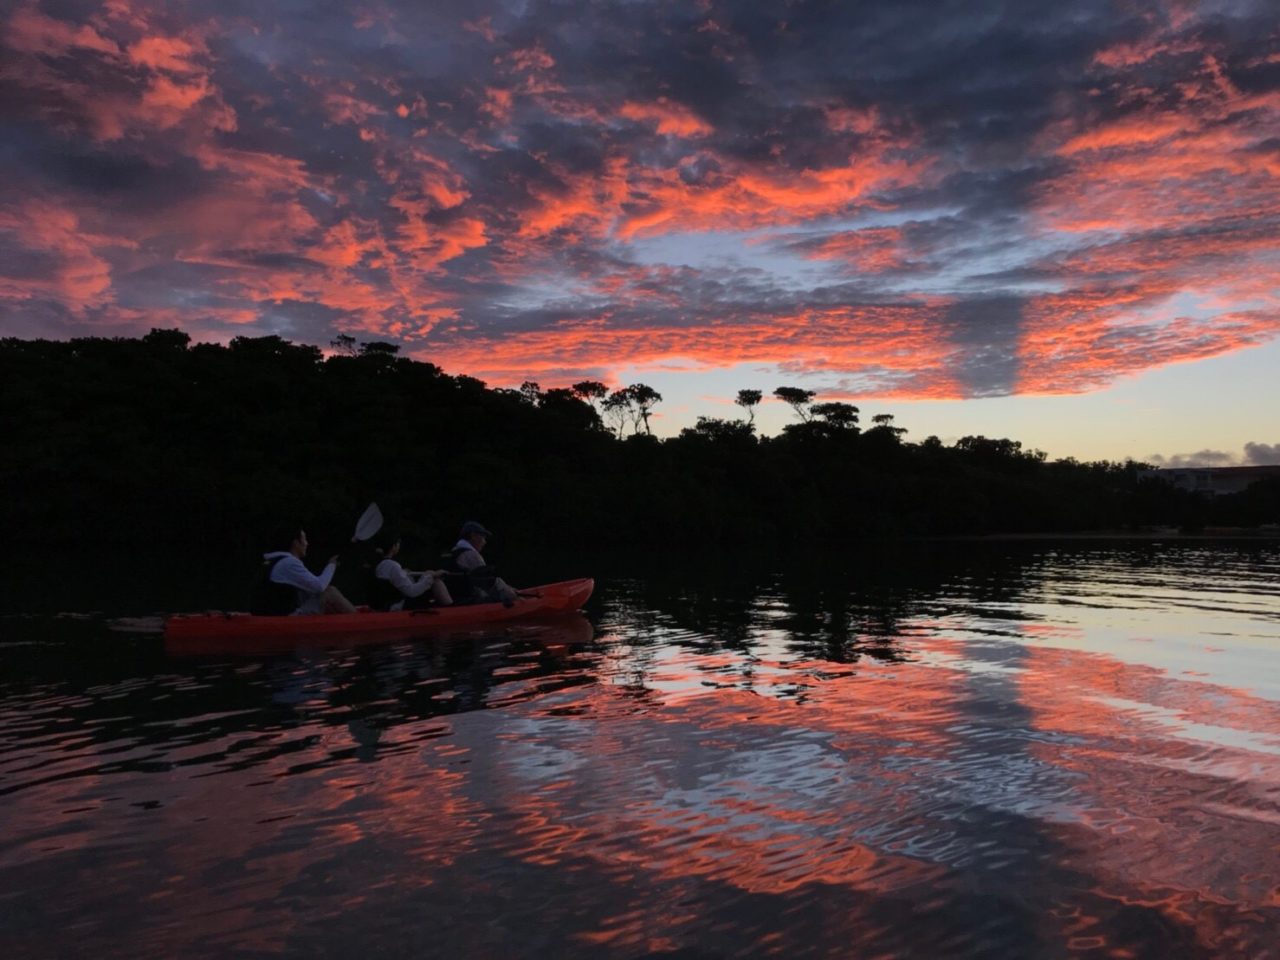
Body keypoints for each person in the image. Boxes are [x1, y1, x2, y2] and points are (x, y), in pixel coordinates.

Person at [252, 527, 358, 615]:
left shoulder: (272, 560)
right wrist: (331, 565)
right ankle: (357, 621)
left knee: (312, 595)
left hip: (269, 614)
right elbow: (319, 587)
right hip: (283, 619)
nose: (307, 544)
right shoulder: (289, 563)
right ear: (296, 543)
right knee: (330, 592)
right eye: (304, 539)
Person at [368, 533, 452, 610]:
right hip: (399, 605)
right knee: (436, 581)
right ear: (394, 546)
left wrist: (406, 573)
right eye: (398, 544)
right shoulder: (393, 566)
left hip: (391, 603)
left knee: (431, 575)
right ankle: (452, 610)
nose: (399, 546)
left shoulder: (380, 565)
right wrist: (430, 577)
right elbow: (412, 592)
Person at [448, 520, 519, 604]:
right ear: (473, 535)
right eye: (483, 537)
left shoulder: (452, 554)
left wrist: (508, 587)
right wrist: (509, 592)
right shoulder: (471, 555)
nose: (484, 542)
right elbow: (487, 582)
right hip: (472, 601)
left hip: (455, 598)